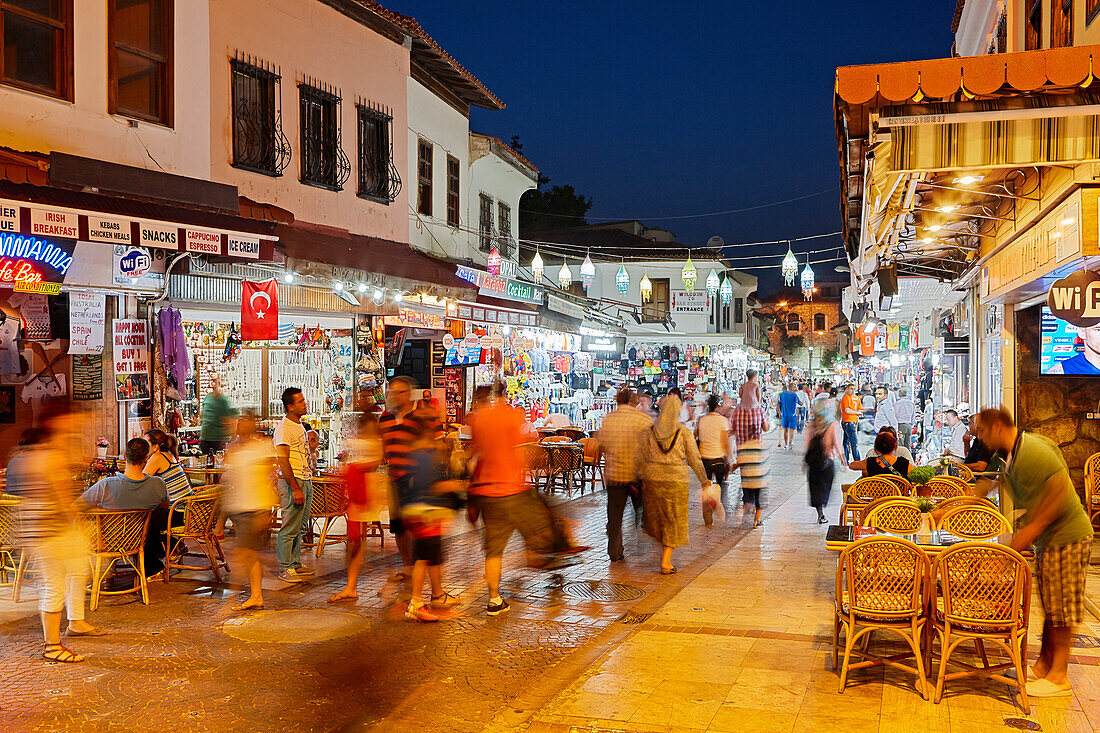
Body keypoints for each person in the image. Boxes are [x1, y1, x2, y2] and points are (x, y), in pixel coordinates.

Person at [974, 407, 1093, 698]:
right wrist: (947, 507)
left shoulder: (1034, 450)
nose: (979, 437)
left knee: (1063, 609)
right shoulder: (1007, 454)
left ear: (999, 426)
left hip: (1068, 537)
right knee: (1051, 606)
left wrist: (1028, 532)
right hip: (1049, 541)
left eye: (982, 430)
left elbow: (1062, 494)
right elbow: (984, 487)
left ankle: (1059, 677)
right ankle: (1042, 667)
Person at [15, 410, 103, 662]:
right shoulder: (48, 458)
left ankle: (75, 623)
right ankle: (52, 645)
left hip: (50, 531)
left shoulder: (38, 456)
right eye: (70, 428)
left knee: (74, 574)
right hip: (51, 532)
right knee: (54, 585)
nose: (75, 433)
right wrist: (77, 514)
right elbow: (61, 499)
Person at [468, 382, 555, 615]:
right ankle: (539, 556)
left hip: (487, 489)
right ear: (505, 393)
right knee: (537, 524)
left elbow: (477, 450)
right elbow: (519, 448)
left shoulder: (477, 419)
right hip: (511, 488)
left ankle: (494, 599)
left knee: (493, 549)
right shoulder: (510, 415)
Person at [638, 395, 713, 574]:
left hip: (653, 479)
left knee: (657, 518)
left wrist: (641, 479)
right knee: (673, 519)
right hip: (677, 481)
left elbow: (641, 457)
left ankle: (663, 550)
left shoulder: (649, 431)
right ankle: (666, 560)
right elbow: (694, 458)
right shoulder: (684, 432)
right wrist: (704, 480)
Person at [401, 412, 464, 621]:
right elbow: (431, 485)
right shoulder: (424, 454)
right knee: (422, 558)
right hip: (425, 512)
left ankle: (435, 597)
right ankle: (416, 603)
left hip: (425, 512)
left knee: (429, 557)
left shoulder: (419, 452)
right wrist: (457, 486)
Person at [78, 438, 170, 577]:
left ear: (125, 456)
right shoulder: (158, 484)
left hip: (107, 541)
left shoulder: (106, 485)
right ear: (146, 459)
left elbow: (77, 506)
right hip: (139, 541)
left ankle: (104, 575)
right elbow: (164, 506)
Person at [220, 410, 277, 611]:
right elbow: (232, 481)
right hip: (241, 507)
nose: (241, 429)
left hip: (254, 507)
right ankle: (256, 595)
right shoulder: (236, 450)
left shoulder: (261, 449)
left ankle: (229, 601)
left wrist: (265, 511)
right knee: (249, 555)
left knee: (242, 554)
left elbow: (267, 479)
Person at [329, 411, 385, 603]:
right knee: (354, 540)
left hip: (365, 492)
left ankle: (351, 585)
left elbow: (374, 463)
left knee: (356, 540)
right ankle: (350, 585)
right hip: (358, 492)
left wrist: (355, 468)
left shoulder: (374, 443)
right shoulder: (365, 441)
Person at [596, 387, 652, 561]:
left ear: (618, 400)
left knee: (614, 516)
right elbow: (650, 448)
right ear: (632, 401)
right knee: (642, 511)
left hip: (615, 475)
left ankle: (614, 551)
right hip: (637, 475)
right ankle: (643, 546)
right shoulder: (642, 420)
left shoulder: (609, 419)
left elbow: (602, 444)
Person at [273, 387, 315, 583]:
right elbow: (283, 460)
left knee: (300, 526)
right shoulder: (284, 428)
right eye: (300, 401)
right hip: (294, 481)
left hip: (304, 479)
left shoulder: (299, 425)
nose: (305, 403)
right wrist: (295, 488)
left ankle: (295, 563)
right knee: (289, 526)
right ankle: (285, 566)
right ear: (290, 406)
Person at [380, 376, 418, 586]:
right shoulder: (385, 419)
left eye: (398, 392)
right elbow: (382, 448)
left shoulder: (420, 416)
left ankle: (419, 567)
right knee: (399, 527)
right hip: (395, 478)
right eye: (391, 392)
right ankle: (407, 566)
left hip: (416, 478)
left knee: (417, 526)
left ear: (408, 393)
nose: (393, 396)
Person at [729, 396, 770, 528]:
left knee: (747, 500)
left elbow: (740, 462)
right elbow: (765, 463)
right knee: (760, 503)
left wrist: (732, 468)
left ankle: (742, 511)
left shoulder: (745, 446)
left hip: (747, 479)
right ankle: (757, 521)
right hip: (759, 480)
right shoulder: (761, 446)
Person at [695, 394, 730, 526]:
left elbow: (696, 436)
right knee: (718, 488)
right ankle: (716, 504)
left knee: (706, 488)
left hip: (705, 460)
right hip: (718, 459)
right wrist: (728, 458)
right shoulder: (722, 421)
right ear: (717, 406)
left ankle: (707, 518)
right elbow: (725, 442)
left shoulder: (701, 420)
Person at [805, 399, 841, 524]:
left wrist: (805, 463)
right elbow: (836, 444)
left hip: (813, 462)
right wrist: (843, 460)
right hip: (827, 461)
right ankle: (821, 513)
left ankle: (820, 513)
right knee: (825, 487)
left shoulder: (812, 424)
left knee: (815, 488)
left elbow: (807, 443)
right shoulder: (832, 424)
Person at [144, 430, 192, 503]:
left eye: (145, 443)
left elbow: (140, 481)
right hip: (189, 504)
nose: (143, 446)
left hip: (177, 509)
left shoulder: (157, 457)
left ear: (155, 447)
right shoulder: (168, 454)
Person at [199, 376, 236, 455]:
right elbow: (202, 414)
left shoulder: (224, 401)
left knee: (218, 461)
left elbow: (232, 420)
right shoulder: (207, 397)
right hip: (205, 438)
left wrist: (230, 436)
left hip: (219, 440)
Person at [840, 383, 862, 463]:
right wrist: (857, 413)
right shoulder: (846, 397)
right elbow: (847, 410)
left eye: (853, 388)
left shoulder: (856, 398)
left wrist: (858, 413)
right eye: (851, 388)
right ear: (847, 389)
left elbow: (859, 408)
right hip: (848, 422)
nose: (852, 390)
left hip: (853, 421)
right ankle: (857, 461)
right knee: (854, 442)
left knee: (846, 442)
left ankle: (845, 460)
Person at [777, 383, 799, 450]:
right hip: (792, 415)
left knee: (784, 430)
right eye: (794, 386)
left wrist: (779, 413)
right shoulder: (794, 395)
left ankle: (785, 444)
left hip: (784, 415)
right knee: (791, 430)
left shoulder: (782, 395)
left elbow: (777, 404)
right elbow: (800, 403)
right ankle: (789, 444)